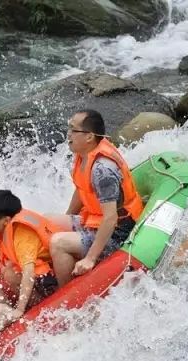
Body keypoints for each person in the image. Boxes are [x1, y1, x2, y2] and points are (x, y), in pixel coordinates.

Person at [49, 109, 144, 285]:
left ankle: (65, 294)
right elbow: (82, 188)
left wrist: (90, 259)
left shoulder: (103, 170)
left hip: (117, 232)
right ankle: (55, 270)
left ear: (89, 137)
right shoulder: (83, 154)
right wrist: (68, 217)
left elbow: (110, 218)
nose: (68, 134)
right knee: (47, 222)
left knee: (58, 242)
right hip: (95, 220)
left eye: (73, 130)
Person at [0, 190, 61, 322]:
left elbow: (29, 272)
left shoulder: (22, 234)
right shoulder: (4, 229)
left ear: (5, 220)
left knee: (9, 273)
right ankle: (33, 302)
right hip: (44, 268)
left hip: (50, 272)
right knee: (8, 270)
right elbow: (2, 247)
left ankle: (40, 304)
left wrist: (20, 309)